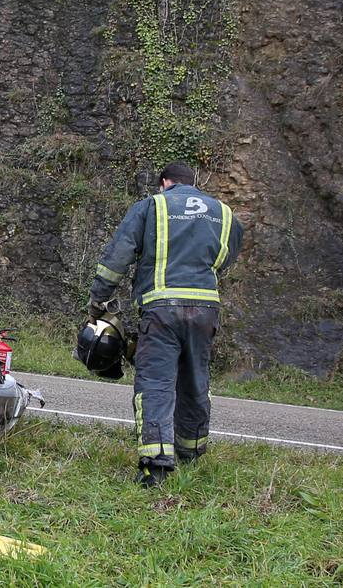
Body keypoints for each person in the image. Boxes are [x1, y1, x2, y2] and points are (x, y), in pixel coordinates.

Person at [88, 161, 244, 487]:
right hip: (204, 309)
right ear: (193, 183)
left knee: (156, 383)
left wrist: (99, 299)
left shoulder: (152, 206)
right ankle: (192, 453)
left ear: (164, 183)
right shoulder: (222, 213)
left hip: (161, 310)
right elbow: (226, 257)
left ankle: (155, 467)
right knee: (196, 382)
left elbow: (119, 255)